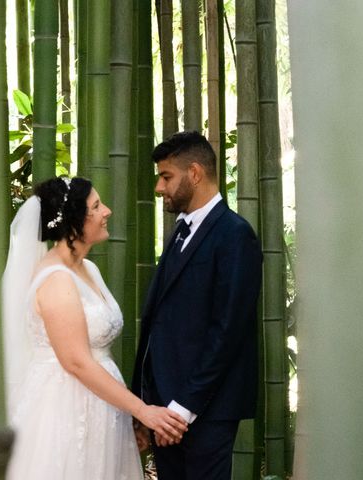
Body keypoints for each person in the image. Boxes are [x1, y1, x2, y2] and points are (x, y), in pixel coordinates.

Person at [3, 176, 187, 479]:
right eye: (97, 206)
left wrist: (127, 413)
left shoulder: (89, 269)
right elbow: (76, 361)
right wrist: (143, 411)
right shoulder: (56, 280)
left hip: (102, 404)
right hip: (66, 407)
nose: (108, 211)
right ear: (76, 220)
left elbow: (98, 354)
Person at [131, 131, 263, 480]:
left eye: (166, 177)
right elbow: (158, 321)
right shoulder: (179, 231)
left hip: (205, 408)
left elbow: (228, 331)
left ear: (194, 173)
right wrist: (144, 404)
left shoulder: (235, 235)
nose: (159, 187)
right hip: (163, 406)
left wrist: (184, 409)